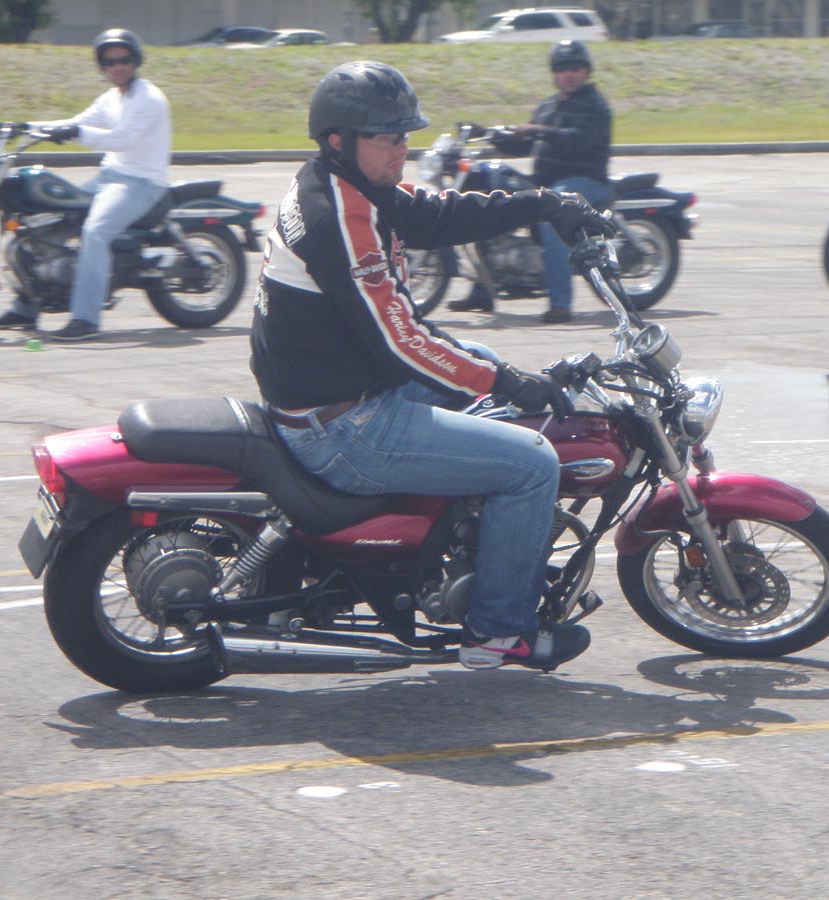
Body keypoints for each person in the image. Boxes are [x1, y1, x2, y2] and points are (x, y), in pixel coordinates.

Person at [250, 61, 613, 670]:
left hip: (342, 389)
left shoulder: (349, 187)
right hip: (344, 424)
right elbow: (402, 342)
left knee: (485, 368)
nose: (402, 149)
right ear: (338, 140)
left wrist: (542, 203)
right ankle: (499, 631)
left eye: (405, 135)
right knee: (531, 463)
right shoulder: (340, 218)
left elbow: (442, 214)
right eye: (386, 137)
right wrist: (509, 382)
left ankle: (461, 547)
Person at [0, 28, 171, 340]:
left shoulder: (148, 98)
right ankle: (27, 306)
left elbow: (122, 139)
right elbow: (78, 121)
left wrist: (77, 134)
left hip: (141, 182)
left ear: (136, 60)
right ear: (102, 66)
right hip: (110, 177)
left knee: (95, 231)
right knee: (46, 222)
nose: (117, 67)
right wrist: (26, 127)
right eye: (110, 62)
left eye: (124, 60)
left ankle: (86, 319)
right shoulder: (112, 97)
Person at [448, 39, 613, 324]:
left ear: (586, 71)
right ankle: (483, 290)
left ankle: (561, 304)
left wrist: (540, 130)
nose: (568, 74)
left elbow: (578, 139)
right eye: (561, 68)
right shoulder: (550, 105)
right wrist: (487, 133)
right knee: (489, 200)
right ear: (554, 72)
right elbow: (524, 145)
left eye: (574, 68)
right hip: (546, 181)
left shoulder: (595, 105)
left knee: (553, 213)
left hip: (586, 180)